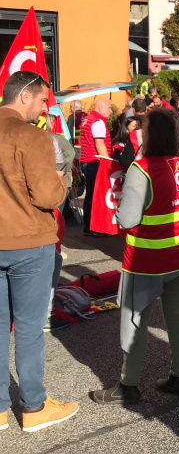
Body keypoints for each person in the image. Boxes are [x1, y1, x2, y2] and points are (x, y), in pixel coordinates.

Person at [92, 108, 179, 405]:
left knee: (135, 321)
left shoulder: (142, 169)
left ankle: (129, 385)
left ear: (149, 135)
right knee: (177, 315)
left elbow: (128, 219)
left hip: (148, 259)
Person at [0, 71, 79, 432]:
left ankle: (0, 409)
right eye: (43, 100)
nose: (45, 107)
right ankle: (34, 406)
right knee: (29, 329)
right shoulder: (32, 136)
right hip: (29, 242)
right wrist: (63, 185)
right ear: (25, 96)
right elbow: (47, 196)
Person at [79, 99, 113, 236]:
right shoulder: (98, 122)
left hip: (87, 160)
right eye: (109, 108)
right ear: (101, 108)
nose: (111, 111)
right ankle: (96, 228)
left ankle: (88, 226)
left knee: (90, 195)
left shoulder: (87, 119)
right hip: (95, 162)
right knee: (97, 196)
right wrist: (108, 163)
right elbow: (100, 145)